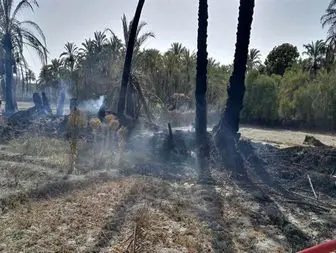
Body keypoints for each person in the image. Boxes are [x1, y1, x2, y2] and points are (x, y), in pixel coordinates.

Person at [66, 98, 84, 174]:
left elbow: (78, 123)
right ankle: (71, 165)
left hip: (75, 130)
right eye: (71, 104)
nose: (71, 105)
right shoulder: (72, 113)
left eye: (72, 104)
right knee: (72, 147)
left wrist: (73, 128)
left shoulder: (77, 113)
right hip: (73, 130)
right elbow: (70, 123)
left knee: (73, 146)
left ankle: (72, 166)